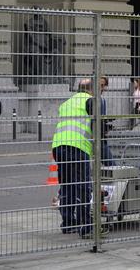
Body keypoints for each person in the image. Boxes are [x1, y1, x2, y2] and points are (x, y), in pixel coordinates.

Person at [52, 79, 107, 239]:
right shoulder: (90, 101)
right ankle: (86, 227)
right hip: (77, 147)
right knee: (83, 186)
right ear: (91, 90)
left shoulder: (67, 103)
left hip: (58, 146)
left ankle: (69, 223)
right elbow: (98, 126)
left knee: (67, 185)